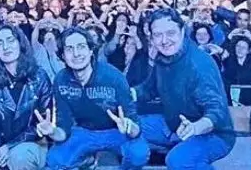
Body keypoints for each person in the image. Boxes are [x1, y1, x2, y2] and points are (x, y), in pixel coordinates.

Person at [136, 9, 234, 170]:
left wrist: (195, 128)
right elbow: (148, 89)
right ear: (151, 38)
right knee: (128, 128)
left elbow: (216, 112)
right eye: (157, 35)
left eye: (170, 33)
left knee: (177, 161)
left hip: (212, 133)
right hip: (173, 125)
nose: (164, 40)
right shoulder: (163, 58)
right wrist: (123, 94)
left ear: (182, 31)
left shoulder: (200, 65)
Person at [42, 26, 149, 170]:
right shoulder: (61, 80)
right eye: (69, 49)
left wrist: (129, 127)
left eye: (81, 47)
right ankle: (86, 161)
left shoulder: (113, 77)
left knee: (139, 154)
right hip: (83, 132)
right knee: (55, 160)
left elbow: (136, 127)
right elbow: (64, 129)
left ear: (91, 50)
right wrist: (52, 132)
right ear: (62, 55)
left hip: (117, 132)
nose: (76, 54)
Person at [0, 24, 53, 170]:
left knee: (19, 157)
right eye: (0, 43)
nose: (6, 47)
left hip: (33, 143)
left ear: (20, 43)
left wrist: (10, 146)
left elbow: (41, 123)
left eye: (10, 40)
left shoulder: (39, 76)